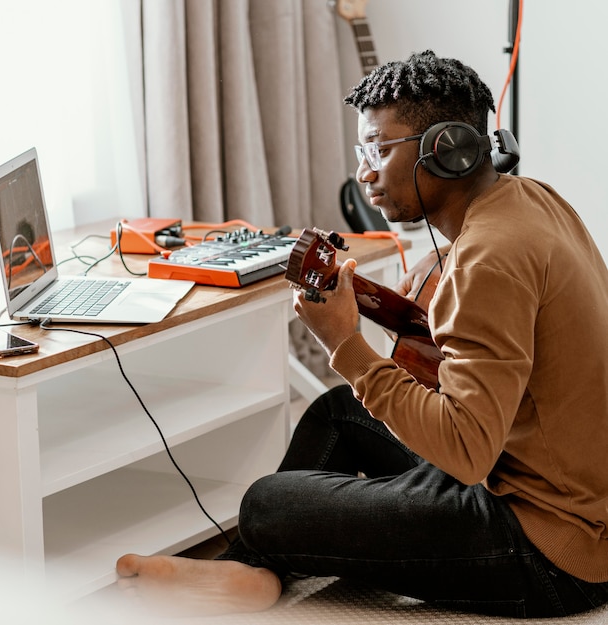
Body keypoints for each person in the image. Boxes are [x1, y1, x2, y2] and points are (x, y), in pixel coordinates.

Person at [115, 50, 608, 619]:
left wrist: (343, 344)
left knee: (267, 503)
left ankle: (258, 555)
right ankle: (250, 571)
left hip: (550, 553)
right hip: (539, 483)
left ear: (445, 151)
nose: (365, 171)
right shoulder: (531, 201)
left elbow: (468, 453)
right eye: (361, 151)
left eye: (378, 149)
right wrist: (409, 294)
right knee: (337, 415)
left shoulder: (488, 259)